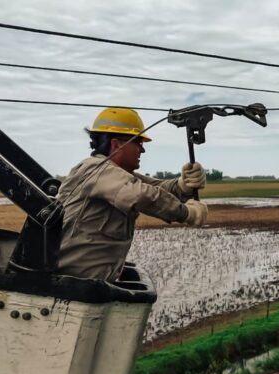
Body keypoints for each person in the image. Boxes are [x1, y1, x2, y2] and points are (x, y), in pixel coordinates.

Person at [56, 107, 208, 281]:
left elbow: (156, 188)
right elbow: (141, 195)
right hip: (72, 286)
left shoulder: (116, 174)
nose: (142, 150)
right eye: (138, 143)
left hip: (92, 285)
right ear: (116, 144)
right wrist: (187, 213)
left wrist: (183, 185)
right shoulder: (95, 169)